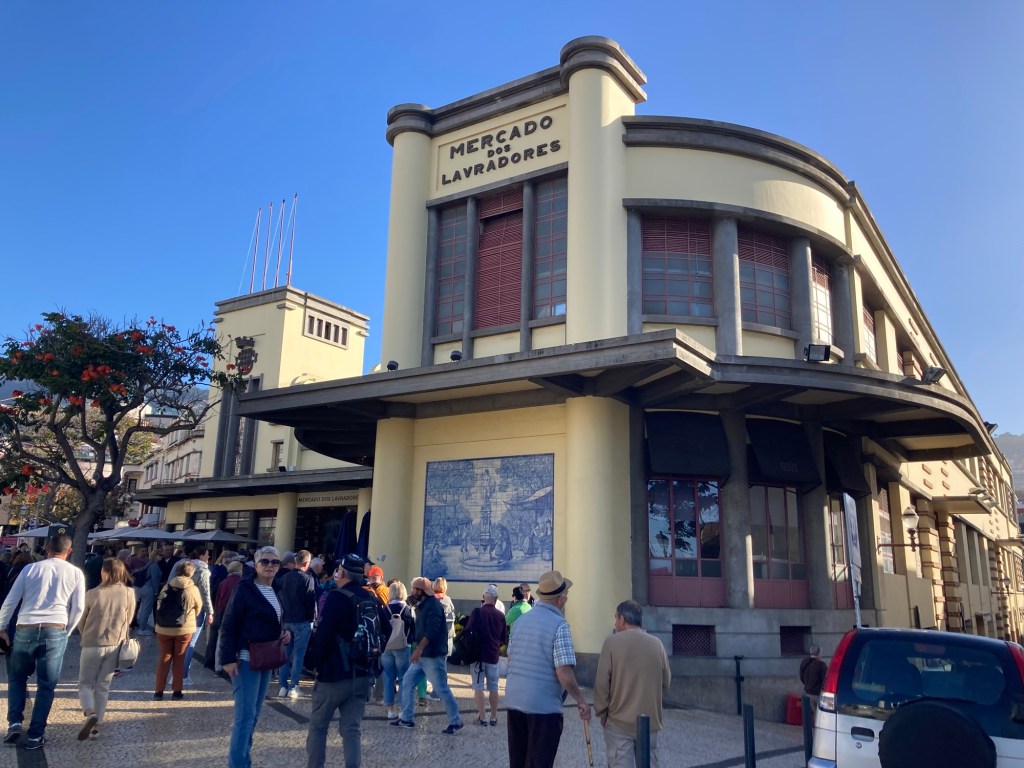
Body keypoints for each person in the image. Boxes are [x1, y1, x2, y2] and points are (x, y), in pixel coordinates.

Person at [0, 533, 87, 750]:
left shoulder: (30, 569)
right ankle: (35, 735)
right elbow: (78, 608)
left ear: (47, 549)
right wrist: (67, 630)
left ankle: (15, 723)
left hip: (25, 627)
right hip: (55, 628)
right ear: (69, 551)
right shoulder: (75, 573)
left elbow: (11, 601)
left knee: (17, 678)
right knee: (46, 684)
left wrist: (1, 628)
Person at [504, 570, 590, 768]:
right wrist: (581, 700)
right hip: (543, 708)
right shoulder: (560, 625)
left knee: (518, 762)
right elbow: (564, 672)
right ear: (560, 600)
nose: (567, 598)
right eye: (566, 595)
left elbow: (511, 658)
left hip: (515, 701)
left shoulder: (520, 621)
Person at [305, 553, 380, 768]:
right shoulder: (371, 598)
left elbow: (323, 635)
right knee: (352, 729)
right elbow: (384, 630)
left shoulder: (336, 597)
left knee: (318, 727)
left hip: (333, 674)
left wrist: (312, 663)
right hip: (362, 674)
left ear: (342, 573)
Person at [219, 546, 290, 768]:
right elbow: (229, 623)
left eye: (274, 562)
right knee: (244, 717)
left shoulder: (276, 589)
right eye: (265, 562)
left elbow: (272, 620)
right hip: (246, 658)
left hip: (266, 658)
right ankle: (238, 764)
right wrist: (227, 658)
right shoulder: (244, 589)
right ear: (256, 565)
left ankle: (244, 760)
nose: (270, 566)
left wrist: (284, 632)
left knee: (254, 715)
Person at [594, 600, 672, 768]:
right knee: (649, 762)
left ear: (622, 619)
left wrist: (602, 711)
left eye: (616, 618)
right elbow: (666, 681)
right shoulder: (656, 644)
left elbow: (602, 683)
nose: (615, 623)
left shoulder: (611, 643)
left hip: (619, 720)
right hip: (649, 721)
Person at [391, 576, 464, 734]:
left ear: (421, 591)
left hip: (432, 655)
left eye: (414, 589)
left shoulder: (433, 606)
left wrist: (418, 649)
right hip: (423, 655)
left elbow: (432, 631)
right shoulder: (423, 605)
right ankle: (407, 718)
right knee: (408, 681)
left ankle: (456, 721)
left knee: (441, 688)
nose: (412, 591)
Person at [77, 557, 136, 742]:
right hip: (115, 644)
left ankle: (90, 713)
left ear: (104, 572)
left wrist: (85, 633)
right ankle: (96, 727)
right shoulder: (129, 593)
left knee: (85, 683)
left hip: (92, 642)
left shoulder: (92, 593)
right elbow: (129, 619)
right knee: (103, 685)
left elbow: (81, 620)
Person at [154, 560, 202, 701]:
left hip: (164, 628)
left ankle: (158, 691)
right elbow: (198, 608)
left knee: (164, 658)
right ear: (191, 573)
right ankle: (177, 691)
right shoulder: (192, 589)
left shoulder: (167, 586)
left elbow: (159, 604)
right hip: (184, 629)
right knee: (179, 659)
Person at [171, 545, 214, 685]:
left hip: (178, 607)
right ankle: (182, 676)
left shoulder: (181, 565)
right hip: (196, 609)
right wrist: (210, 611)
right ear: (201, 556)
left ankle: (175, 674)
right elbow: (205, 593)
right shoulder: (203, 571)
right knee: (190, 643)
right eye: (207, 554)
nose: (208, 557)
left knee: (179, 641)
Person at [466, 583, 507, 726]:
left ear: (484, 597)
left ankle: (482, 717)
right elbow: (503, 638)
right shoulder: (500, 616)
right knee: (494, 687)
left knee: (478, 687)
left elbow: (468, 631)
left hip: (477, 656)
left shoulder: (477, 613)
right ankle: (494, 717)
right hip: (493, 655)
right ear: (496, 599)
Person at [278, 549, 317, 700]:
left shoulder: (285, 578)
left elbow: (281, 598)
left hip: (287, 620)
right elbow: (310, 601)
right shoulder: (308, 579)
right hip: (302, 621)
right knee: (299, 655)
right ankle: (294, 686)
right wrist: (312, 619)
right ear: (306, 563)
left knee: (285, 654)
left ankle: (282, 686)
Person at [381, 580, 416, 720]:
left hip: (386, 647)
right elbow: (414, 630)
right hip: (403, 646)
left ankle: (390, 709)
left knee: (388, 677)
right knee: (403, 678)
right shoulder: (408, 609)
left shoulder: (384, 609)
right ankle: (401, 707)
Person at [209, 560, 245, 672]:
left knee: (221, 640)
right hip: (236, 615)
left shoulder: (223, 582)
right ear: (240, 570)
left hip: (221, 613)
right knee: (235, 640)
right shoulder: (241, 583)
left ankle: (218, 665)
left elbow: (217, 599)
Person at [132, 547, 162, 636]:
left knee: (144, 608)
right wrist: (156, 591)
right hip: (149, 589)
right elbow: (155, 580)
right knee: (146, 610)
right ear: (155, 556)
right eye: (159, 555)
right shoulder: (154, 566)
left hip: (143, 587)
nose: (161, 557)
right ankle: (142, 628)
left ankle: (142, 627)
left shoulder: (149, 564)